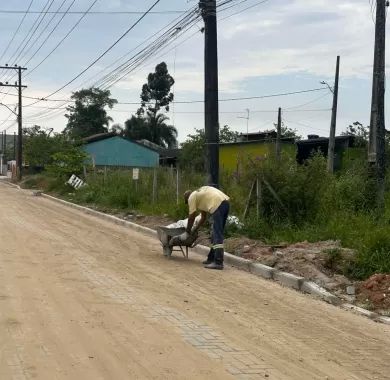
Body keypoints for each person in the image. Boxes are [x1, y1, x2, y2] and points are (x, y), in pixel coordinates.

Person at [179, 186, 230, 270]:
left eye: (187, 202)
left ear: (187, 199)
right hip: (225, 203)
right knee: (215, 234)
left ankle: (218, 262)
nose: (188, 204)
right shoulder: (200, 195)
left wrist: (188, 231)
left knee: (217, 234)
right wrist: (195, 228)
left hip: (217, 205)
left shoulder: (192, 197)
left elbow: (191, 216)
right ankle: (211, 258)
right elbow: (203, 217)